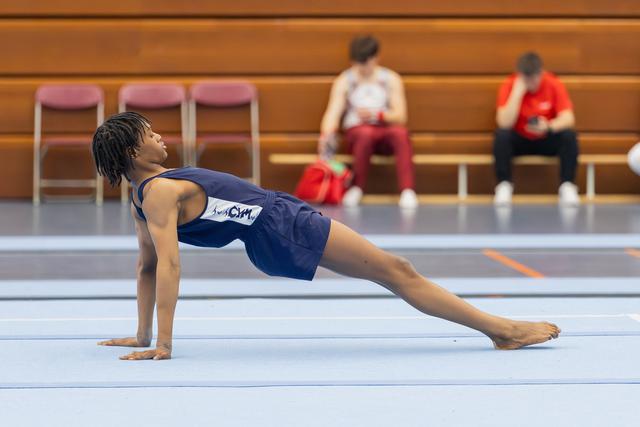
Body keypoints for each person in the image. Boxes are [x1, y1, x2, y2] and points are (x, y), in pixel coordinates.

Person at [92, 112, 560, 361]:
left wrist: (142, 335)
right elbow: (165, 265)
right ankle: (502, 331)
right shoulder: (157, 193)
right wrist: (164, 343)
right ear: (134, 149)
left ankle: (499, 330)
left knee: (395, 274)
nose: (161, 138)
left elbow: (145, 266)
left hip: (276, 221)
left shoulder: (144, 193)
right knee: (398, 271)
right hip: (281, 226)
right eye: (151, 134)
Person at [318, 35, 418, 209]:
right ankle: (357, 187)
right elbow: (333, 112)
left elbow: (401, 116)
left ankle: (407, 190)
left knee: (400, 133)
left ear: (376, 58)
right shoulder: (345, 81)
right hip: (358, 133)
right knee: (365, 134)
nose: (362, 68)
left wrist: (378, 115)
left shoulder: (390, 79)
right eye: (358, 63)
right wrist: (326, 135)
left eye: (366, 63)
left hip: (384, 129)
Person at [494, 52, 580, 206]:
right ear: (520, 75)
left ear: (541, 73)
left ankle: (567, 185)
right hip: (520, 140)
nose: (530, 83)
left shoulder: (553, 83)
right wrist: (517, 94)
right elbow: (504, 123)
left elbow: (568, 118)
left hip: (545, 139)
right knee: (502, 136)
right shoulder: (510, 85)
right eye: (526, 79)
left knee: (569, 136)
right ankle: (504, 185)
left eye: (533, 78)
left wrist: (548, 126)